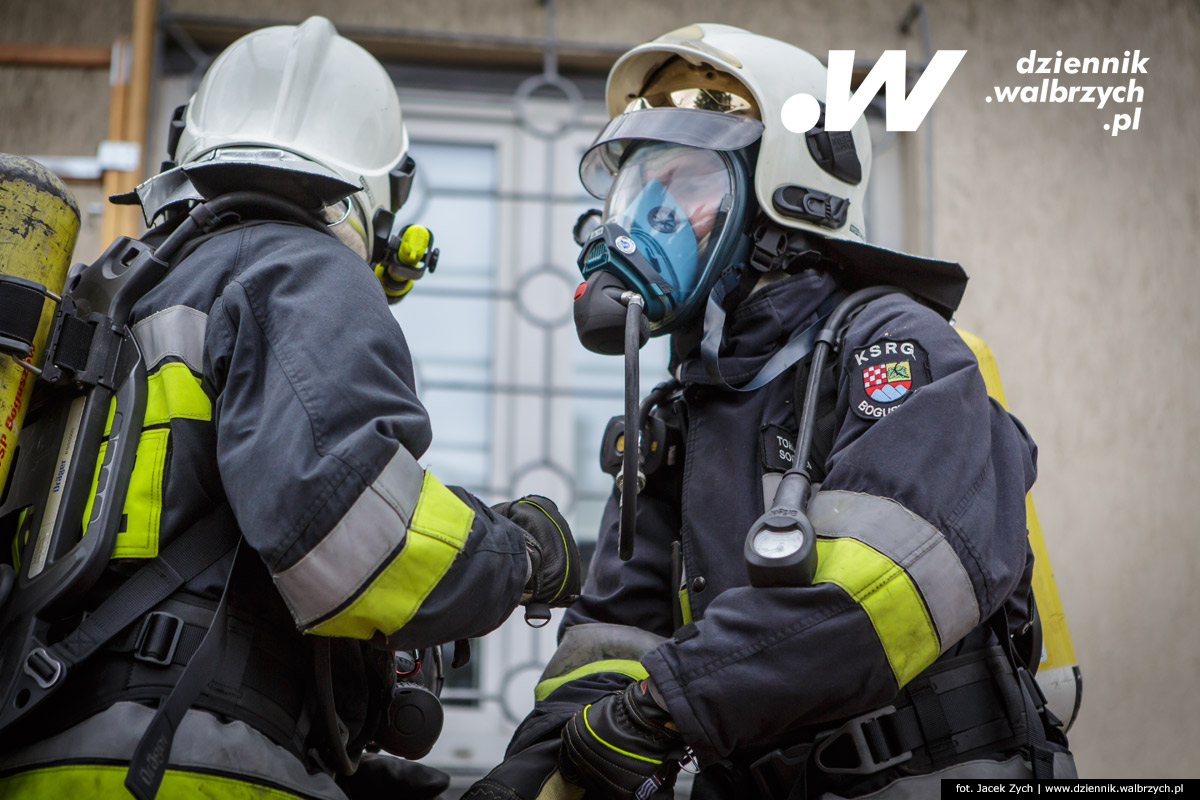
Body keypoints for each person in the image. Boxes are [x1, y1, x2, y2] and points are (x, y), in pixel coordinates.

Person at [466, 23, 1074, 800]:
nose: (646, 214)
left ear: (786, 192)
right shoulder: (685, 415)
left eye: (684, 183)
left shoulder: (897, 347)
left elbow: (883, 593)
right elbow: (612, 642)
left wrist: (662, 706)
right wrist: (524, 782)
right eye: (638, 185)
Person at [0, 16, 579, 800]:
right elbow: (353, 533)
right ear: (369, 189)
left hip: (51, 751)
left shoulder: (118, 299)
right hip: (190, 767)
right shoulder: (298, 268)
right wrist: (524, 557)